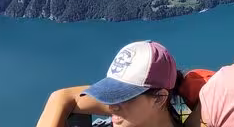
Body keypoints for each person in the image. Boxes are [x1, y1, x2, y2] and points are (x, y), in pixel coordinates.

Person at [36, 40, 203, 127]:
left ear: (159, 98)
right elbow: (61, 97)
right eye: (110, 93)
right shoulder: (178, 108)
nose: (111, 105)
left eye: (124, 96)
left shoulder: (184, 113)